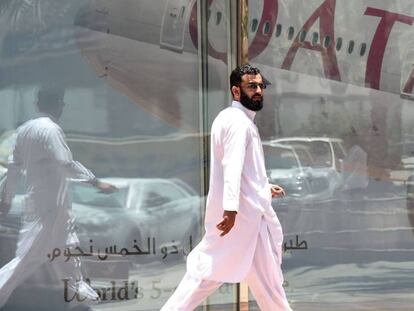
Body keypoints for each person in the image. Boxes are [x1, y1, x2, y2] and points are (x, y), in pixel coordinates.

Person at [160, 64, 292, 311]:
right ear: (235, 90)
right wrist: (230, 210)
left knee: (270, 290)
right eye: (251, 86)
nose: (258, 91)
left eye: (260, 86)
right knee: (203, 277)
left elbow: (243, 171)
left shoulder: (234, 119)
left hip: (250, 220)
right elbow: (231, 167)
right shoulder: (238, 123)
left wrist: (263, 187)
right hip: (239, 220)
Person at [0, 86, 117, 309]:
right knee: (28, 260)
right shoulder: (51, 130)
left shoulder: (24, 130)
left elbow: (14, 169)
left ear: (37, 105)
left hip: (42, 205)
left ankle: (81, 301)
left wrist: (6, 199)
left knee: (67, 252)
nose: (62, 106)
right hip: (51, 207)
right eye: (61, 103)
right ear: (58, 105)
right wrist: (95, 181)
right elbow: (65, 163)